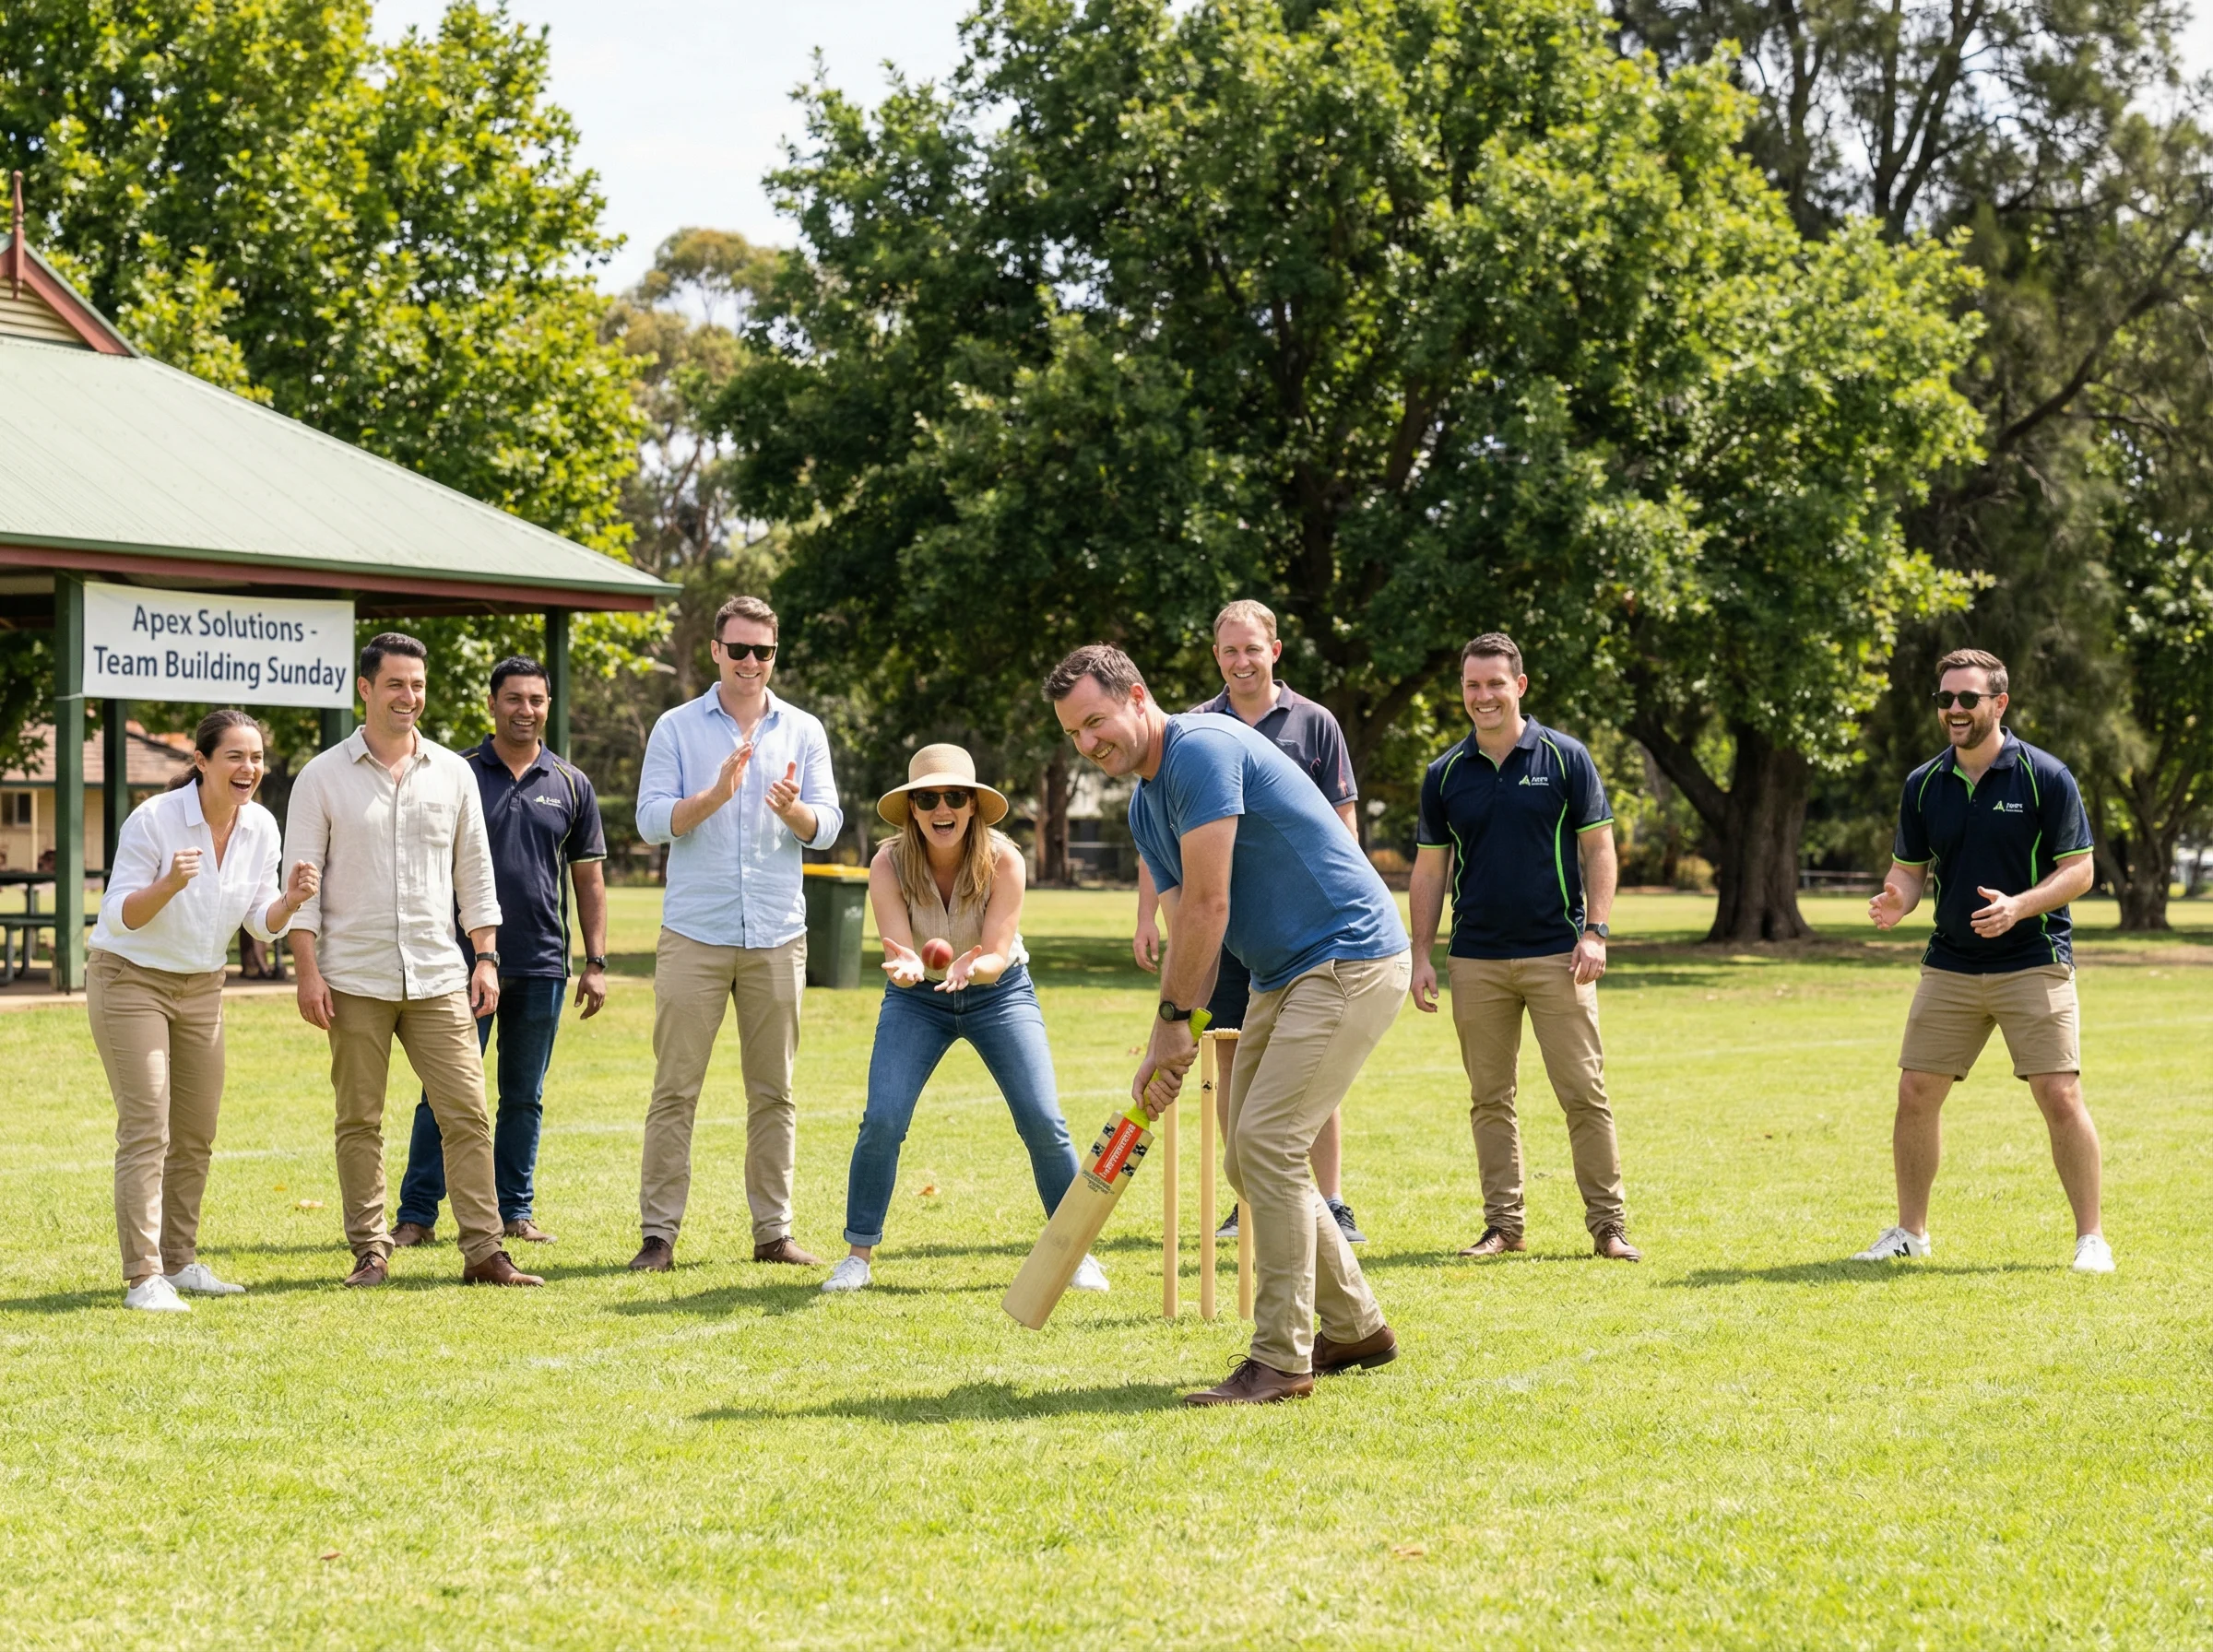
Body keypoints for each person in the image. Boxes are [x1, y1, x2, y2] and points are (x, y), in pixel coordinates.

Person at [1049, 644, 1411, 1407]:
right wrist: (1172, 1033)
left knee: (1268, 1144)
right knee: (1250, 1160)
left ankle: (1281, 1359)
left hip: (1348, 954)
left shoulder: (1201, 751)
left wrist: (1173, 1027)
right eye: (1073, 733)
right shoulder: (1146, 806)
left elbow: (1211, 905)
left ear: (1136, 697)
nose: (1088, 743)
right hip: (1283, 973)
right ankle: (1356, 1326)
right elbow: (1190, 931)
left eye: (1095, 721)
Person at [284, 631, 542, 1289]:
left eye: (418, 685)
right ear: (365, 689)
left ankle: (484, 1252)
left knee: (468, 1114)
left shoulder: (453, 773)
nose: (409, 696)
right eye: (396, 683)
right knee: (359, 1121)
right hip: (353, 977)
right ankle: (371, 1251)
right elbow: (301, 885)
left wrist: (485, 957)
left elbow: (474, 874)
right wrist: (307, 972)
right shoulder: (321, 777)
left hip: (438, 975)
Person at [1853, 648, 2111, 1272]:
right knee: (1916, 1091)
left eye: (1968, 698)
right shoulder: (1924, 784)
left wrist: (2020, 906)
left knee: (2059, 1093)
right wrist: (1897, 899)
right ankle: (1910, 1233)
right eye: (1945, 699)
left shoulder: (2045, 776)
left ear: (1999, 703)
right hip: (1951, 963)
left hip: (2034, 957)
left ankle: (2091, 1239)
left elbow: (2079, 871)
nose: (1954, 709)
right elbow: (1910, 871)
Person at [822, 745, 1106, 1295]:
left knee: (1043, 1120)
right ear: (912, 809)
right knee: (882, 1119)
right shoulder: (887, 863)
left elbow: (996, 954)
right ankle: (857, 1258)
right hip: (917, 1001)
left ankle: (1076, 1254)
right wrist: (907, 968)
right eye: (927, 799)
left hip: (999, 993)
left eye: (954, 796)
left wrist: (976, 966)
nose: (941, 809)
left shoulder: (1005, 860)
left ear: (973, 805)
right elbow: (901, 953)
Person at [1133, 599, 1367, 1245]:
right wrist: (1147, 914)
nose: (1242, 661)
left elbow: (1340, 824)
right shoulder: (1193, 729)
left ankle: (1330, 1200)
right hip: (1220, 931)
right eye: (1230, 651)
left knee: (1308, 1069)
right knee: (1229, 1053)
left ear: (1275, 651)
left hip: (1300, 928)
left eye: (1252, 649)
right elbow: (1163, 840)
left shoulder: (1315, 723)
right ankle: (1248, 1199)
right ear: (1217, 657)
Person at [1409, 633, 1639, 1262]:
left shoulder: (1566, 757)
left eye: (1494, 684)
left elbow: (1599, 848)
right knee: (1490, 1100)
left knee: (1584, 1093)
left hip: (1559, 955)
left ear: (1520, 686)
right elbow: (1430, 869)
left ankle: (1609, 1227)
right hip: (1475, 959)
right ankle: (1503, 1226)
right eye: (1472, 685)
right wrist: (1421, 954)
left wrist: (1596, 931)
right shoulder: (1444, 774)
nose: (1483, 696)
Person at [632, 596, 843, 1271]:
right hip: (694, 933)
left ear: (774, 654)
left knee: (774, 1093)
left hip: (777, 935)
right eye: (740, 649)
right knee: (675, 1091)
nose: (751, 662)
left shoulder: (804, 730)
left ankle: (773, 1235)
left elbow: (828, 825)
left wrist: (796, 814)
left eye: (764, 651)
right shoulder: (675, 728)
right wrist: (714, 797)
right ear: (716, 650)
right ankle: (658, 1237)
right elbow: (651, 821)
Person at [86, 711, 317, 1312]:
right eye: (235, 756)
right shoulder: (155, 820)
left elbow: (260, 923)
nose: (249, 768)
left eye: (256, 758)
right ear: (202, 761)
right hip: (130, 979)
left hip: (203, 986)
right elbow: (118, 916)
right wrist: (168, 884)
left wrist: (290, 901)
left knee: (195, 1133)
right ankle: (144, 1277)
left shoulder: (260, 826)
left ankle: (179, 1262)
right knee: (148, 1127)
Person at [391, 655, 610, 1249]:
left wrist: (595, 963)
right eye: (513, 698)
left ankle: (515, 1210)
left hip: (542, 965)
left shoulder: (571, 784)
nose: (525, 710)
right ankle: (417, 1214)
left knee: (523, 1097)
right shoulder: (454, 772)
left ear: (548, 706)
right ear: (492, 704)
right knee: (445, 1094)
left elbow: (588, 880)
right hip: (462, 964)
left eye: (536, 700)